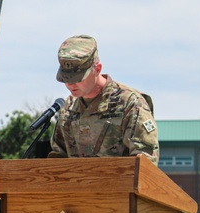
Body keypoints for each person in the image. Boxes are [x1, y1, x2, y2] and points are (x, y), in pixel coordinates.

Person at [49, 34, 159, 163]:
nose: (70, 84)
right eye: (66, 79)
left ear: (97, 69)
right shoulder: (68, 108)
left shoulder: (129, 103)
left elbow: (146, 161)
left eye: (77, 78)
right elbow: (57, 160)